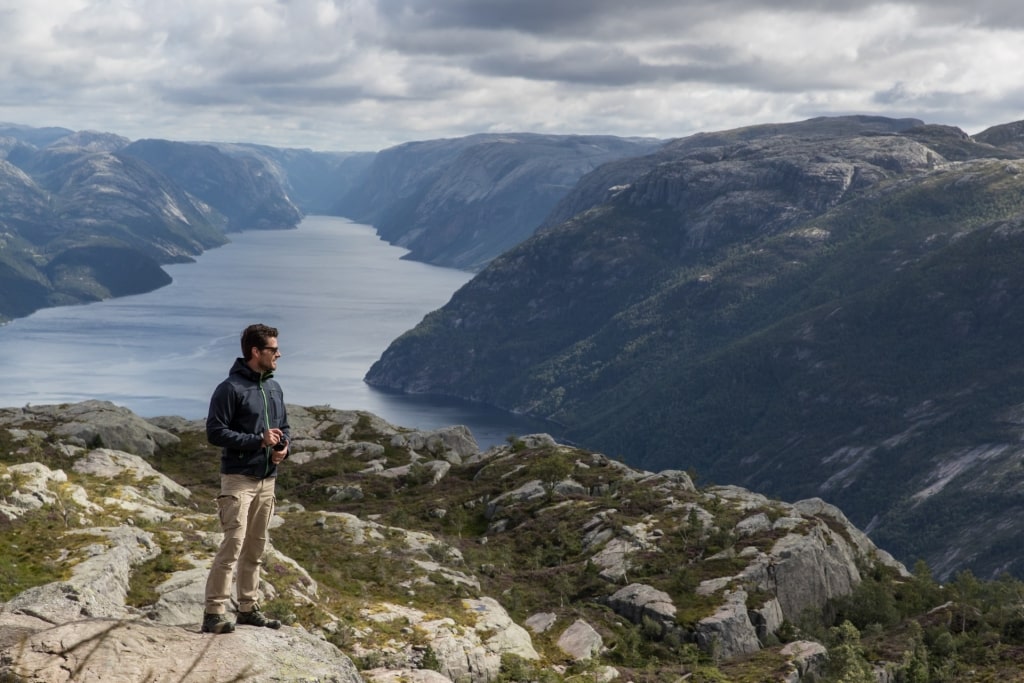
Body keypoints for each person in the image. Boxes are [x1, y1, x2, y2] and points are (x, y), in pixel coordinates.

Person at [201, 323, 290, 634]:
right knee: (233, 546)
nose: (279, 353)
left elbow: (285, 428)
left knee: (256, 547)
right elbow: (215, 432)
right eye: (273, 349)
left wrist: (283, 449)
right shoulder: (230, 388)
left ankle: (248, 609)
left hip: (268, 479)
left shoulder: (274, 388)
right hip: (238, 480)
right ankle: (214, 613)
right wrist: (258, 441)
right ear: (256, 352)